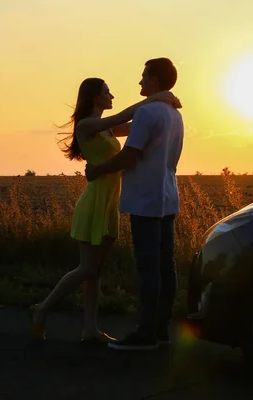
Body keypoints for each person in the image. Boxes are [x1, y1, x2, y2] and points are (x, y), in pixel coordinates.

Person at [28, 77, 182, 343]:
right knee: (87, 268)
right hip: (94, 201)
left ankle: (90, 330)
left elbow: (143, 123)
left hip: (110, 200)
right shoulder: (89, 125)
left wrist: (164, 107)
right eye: (107, 92)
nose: (112, 96)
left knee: (95, 271)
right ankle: (42, 309)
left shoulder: (110, 129)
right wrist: (156, 98)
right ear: (94, 97)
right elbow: (127, 115)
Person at [85, 58, 184, 351]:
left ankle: (145, 333)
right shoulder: (174, 114)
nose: (140, 82)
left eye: (143, 77)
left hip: (144, 198)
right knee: (166, 266)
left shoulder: (148, 113)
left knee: (148, 267)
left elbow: (130, 156)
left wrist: (98, 170)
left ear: (154, 80)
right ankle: (161, 329)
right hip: (166, 195)